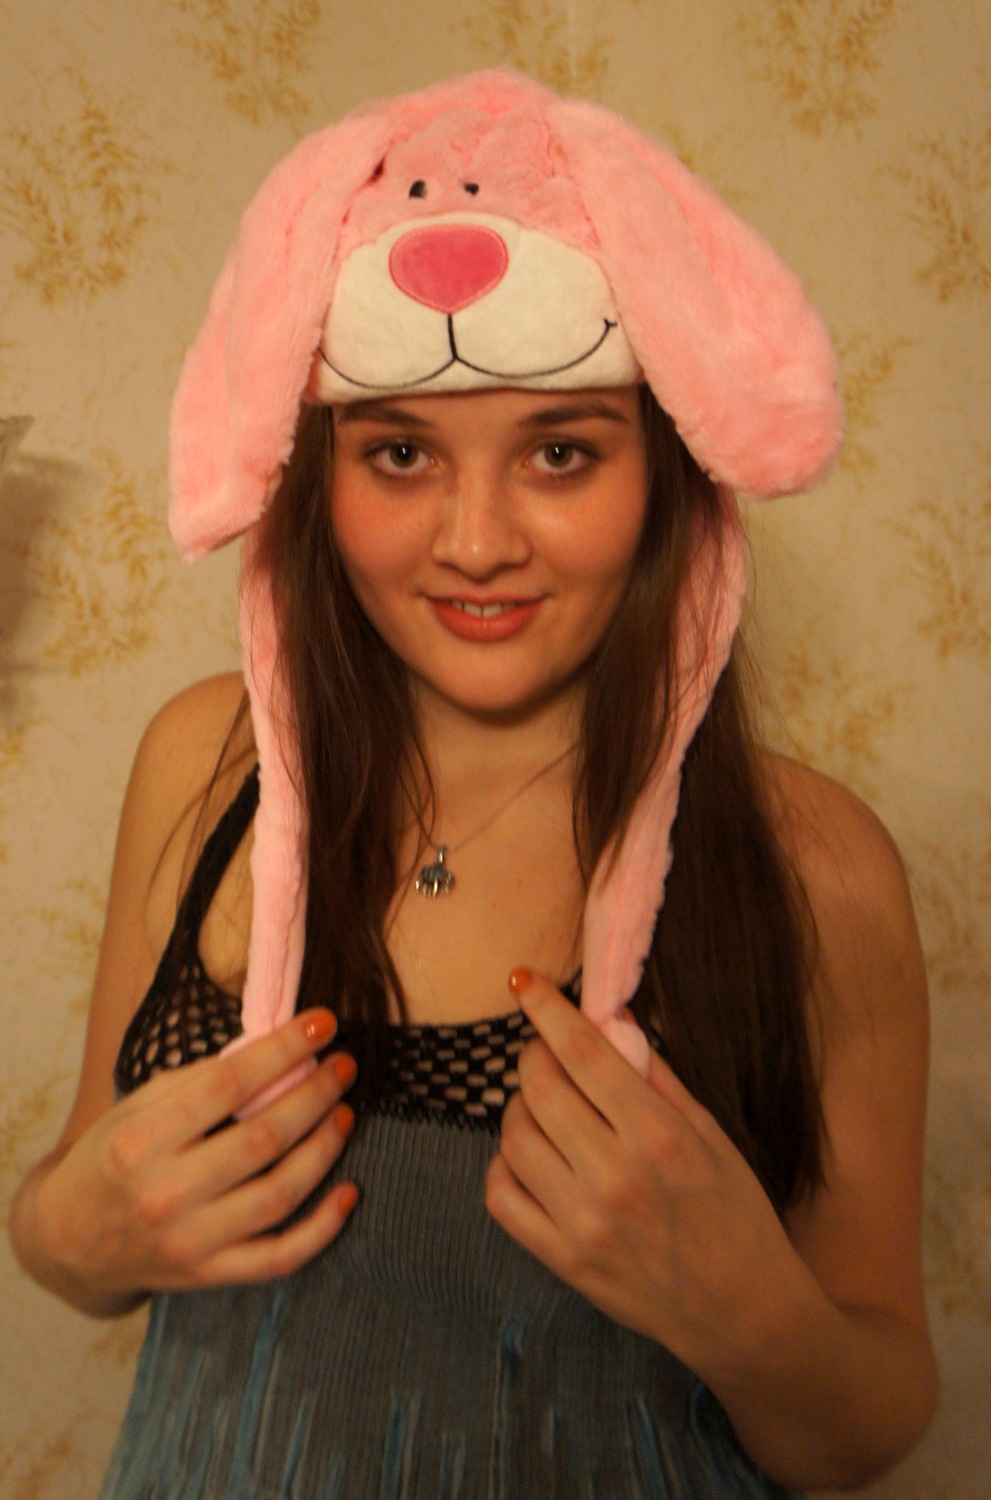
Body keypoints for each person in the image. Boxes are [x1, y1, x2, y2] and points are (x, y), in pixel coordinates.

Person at [10, 69, 936, 1499]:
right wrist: (71, 1237)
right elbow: (77, 1220)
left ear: (669, 472)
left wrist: (753, 1317)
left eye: (561, 452)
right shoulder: (202, 764)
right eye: (400, 454)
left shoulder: (814, 866)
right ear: (317, 474)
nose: (478, 541)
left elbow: (870, 1422)